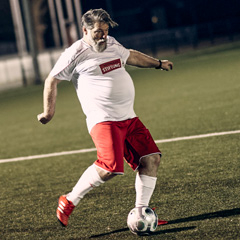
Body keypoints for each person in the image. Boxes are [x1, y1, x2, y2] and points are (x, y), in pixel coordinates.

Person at [37, 8, 173, 227]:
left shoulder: (111, 44)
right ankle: (69, 200)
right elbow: (51, 81)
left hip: (129, 117)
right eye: (99, 31)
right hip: (103, 119)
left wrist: (158, 63)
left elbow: (131, 55)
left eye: (106, 30)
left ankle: (141, 212)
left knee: (150, 158)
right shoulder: (75, 53)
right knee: (109, 167)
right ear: (85, 30)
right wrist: (48, 113)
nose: (103, 35)